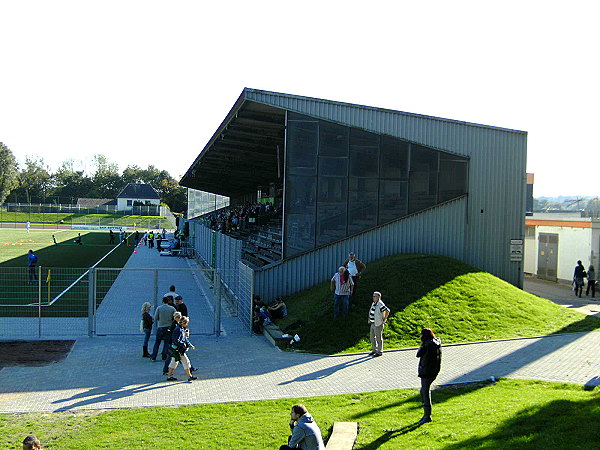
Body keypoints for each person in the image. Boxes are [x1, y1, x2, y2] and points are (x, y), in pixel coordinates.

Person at [416, 328, 442, 424]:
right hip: (434, 371)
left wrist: (422, 345)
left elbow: (418, 354)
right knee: (424, 391)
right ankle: (426, 415)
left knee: (425, 392)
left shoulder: (426, 345)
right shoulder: (436, 343)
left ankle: (427, 416)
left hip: (426, 371)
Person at [166, 316, 197, 382]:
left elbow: (185, 339)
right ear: (183, 323)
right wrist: (183, 344)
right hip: (179, 350)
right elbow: (176, 340)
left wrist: (190, 345)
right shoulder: (178, 329)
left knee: (174, 363)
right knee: (186, 362)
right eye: (187, 323)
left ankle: (169, 376)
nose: (187, 324)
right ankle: (190, 376)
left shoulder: (181, 328)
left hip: (177, 349)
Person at [150, 296, 177, 362]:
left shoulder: (159, 308)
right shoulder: (172, 308)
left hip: (160, 327)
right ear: (168, 301)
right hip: (168, 327)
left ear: (162, 301)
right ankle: (164, 357)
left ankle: (153, 357)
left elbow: (155, 318)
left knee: (157, 343)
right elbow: (176, 317)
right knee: (166, 343)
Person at [368, 291, 389, 357]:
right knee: (372, 337)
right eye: (373, 296)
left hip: (378, 323)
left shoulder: (380, 304)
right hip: (373, 323)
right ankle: (374, 350)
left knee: (378, 337)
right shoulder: (374, 303)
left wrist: (384, 319)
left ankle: (379, 351)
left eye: (374, 296)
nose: (373, 297)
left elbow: (387, 310)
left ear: (378, 297)